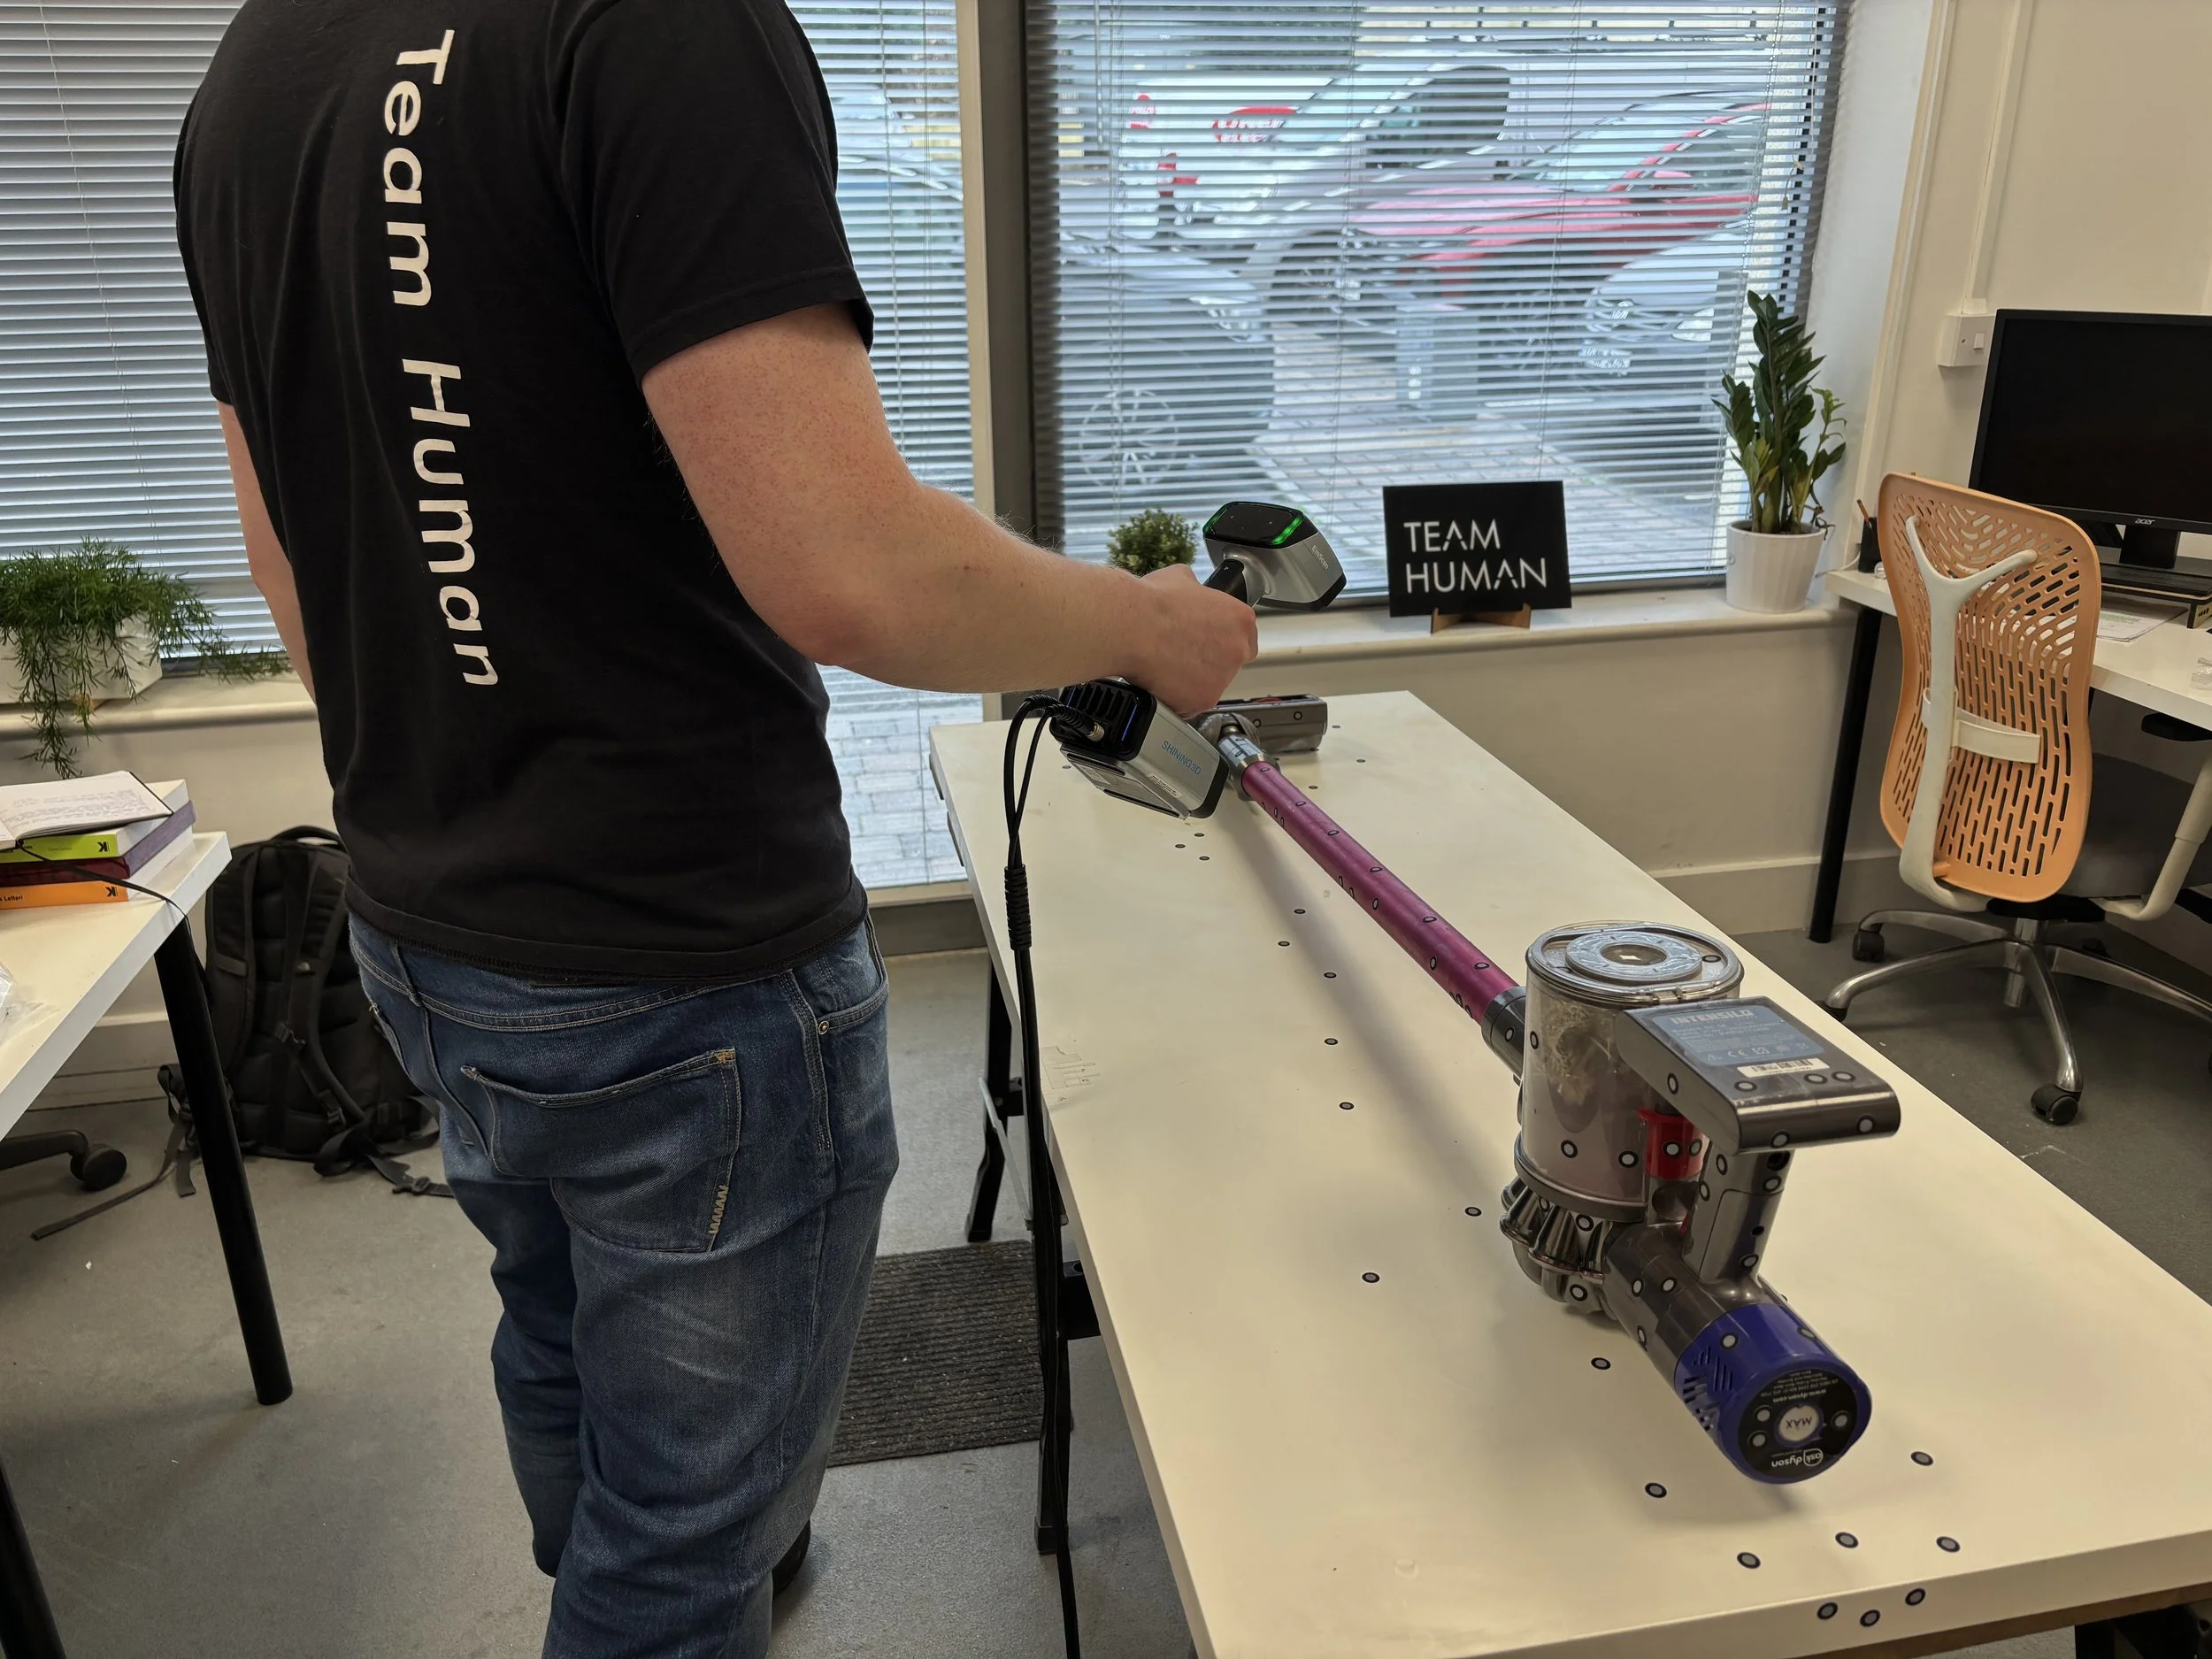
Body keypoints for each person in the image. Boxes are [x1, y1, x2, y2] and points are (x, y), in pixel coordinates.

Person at [173, 1, 1256, 1655]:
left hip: (423, 917)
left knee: (556, 1318)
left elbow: (295, 577)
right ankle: (662, 1584)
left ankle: (631, 1565)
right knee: (682, 1543)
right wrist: (1144, 625)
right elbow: (850, 567)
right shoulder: (657, 28)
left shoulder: (254, 72)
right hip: (680, 967)